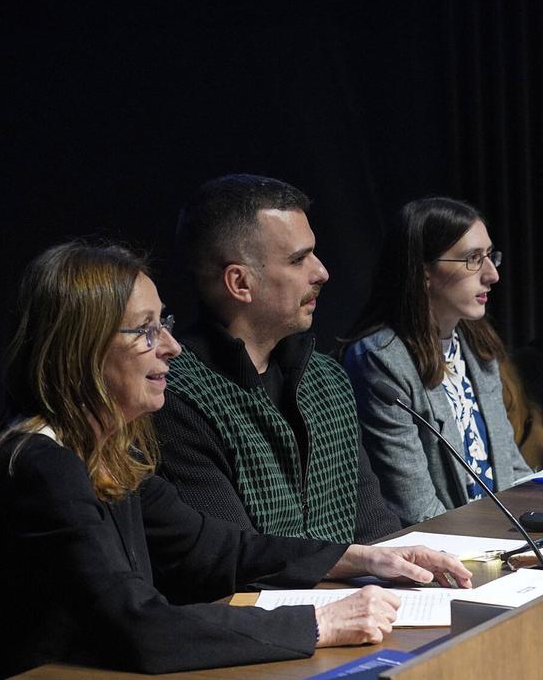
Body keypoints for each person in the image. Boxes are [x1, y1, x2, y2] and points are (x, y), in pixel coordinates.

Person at [0, 242, 471, 680]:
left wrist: (360, 558)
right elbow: (137, 626)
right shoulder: (37, 465)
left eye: (166, 323)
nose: (172, 347)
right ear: (81, 349)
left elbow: (215, 547)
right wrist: (321, 624)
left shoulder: (104, 449)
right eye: (145, 330)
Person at [154, 174, 401, 545]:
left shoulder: (327, 378)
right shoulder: (175, 395)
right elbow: (238, 560)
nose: (321, 272)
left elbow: (375, 531)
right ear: (240, 283)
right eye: (299, 259)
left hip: (362, 598)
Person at [341, 198, 531, 525]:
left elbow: (511, 469)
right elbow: (417, 509)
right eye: (473, 259)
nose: (492, 275)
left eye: (490, 256)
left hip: (504, 534)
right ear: (424, 271)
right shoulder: (381, 359)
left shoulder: (476, 343)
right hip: (446, 551)